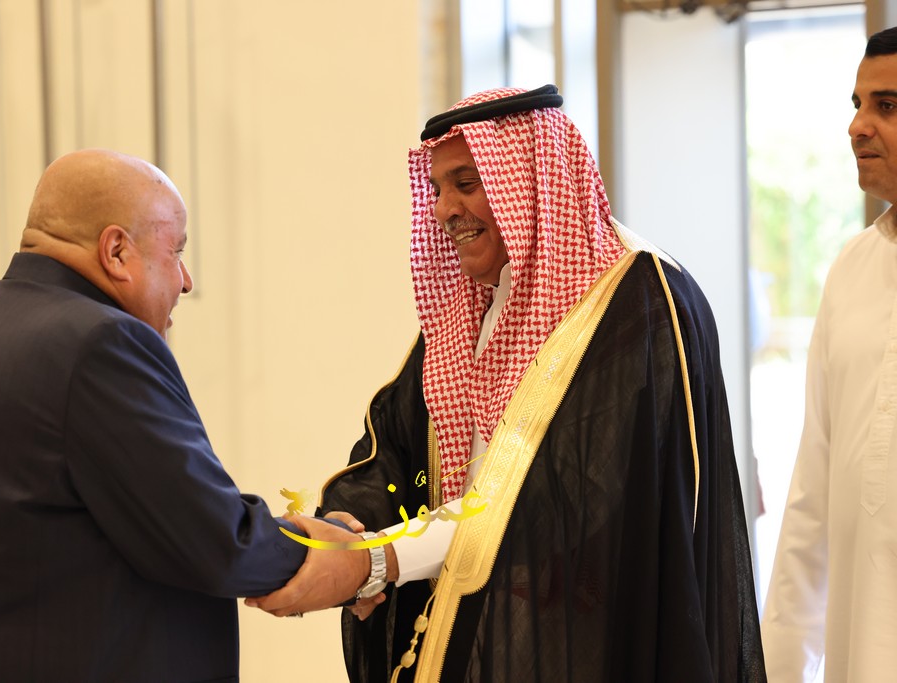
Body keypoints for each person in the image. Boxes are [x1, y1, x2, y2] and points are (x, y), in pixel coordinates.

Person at [249, 87, 766, 681]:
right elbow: (400, 447)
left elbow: (568, 495)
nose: (445, 210)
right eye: (437, 189)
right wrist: (346, 530)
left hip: (592, 640)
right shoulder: (472, 304)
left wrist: (377, 560)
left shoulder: (637, 303)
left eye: (467, 183)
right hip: (474, 626)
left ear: (529, 179)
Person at [0, 149, 368, 682]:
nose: (185, 280)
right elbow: (214, 539)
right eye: (176, 251)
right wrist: (338, 552)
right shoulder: (100, 342)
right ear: (116, 251)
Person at [761, 26, 897, 682]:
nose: (857, 127)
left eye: (887, 106)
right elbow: (812, 489)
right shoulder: (851, 268)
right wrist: (782, 662)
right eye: (857, 104)